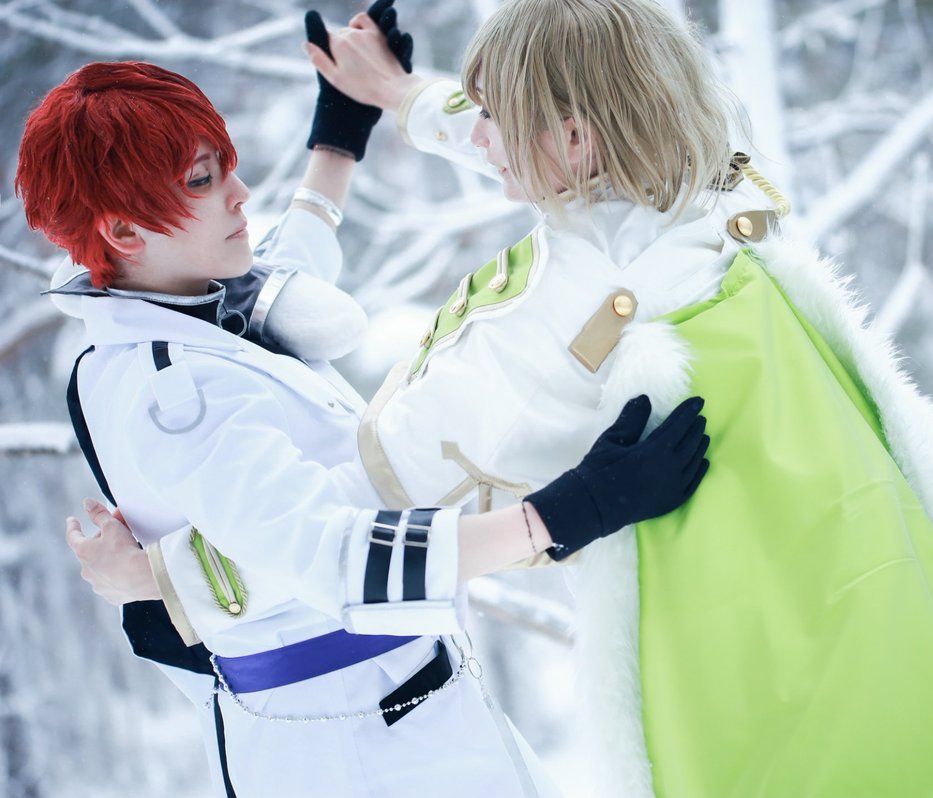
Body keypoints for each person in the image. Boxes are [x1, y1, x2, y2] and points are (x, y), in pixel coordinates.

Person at [74, 1, 933, 795]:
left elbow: (348, 520)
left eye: (499, 119)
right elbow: (566, 134)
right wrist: (400, 99)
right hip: (837, 556)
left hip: (707, 645)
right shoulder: (716, 182)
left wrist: (169, 589)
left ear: (571, 139)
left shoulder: (556, 331)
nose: (482, 136)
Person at [18, 51, 709, 798]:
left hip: (397, 705)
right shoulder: (174, 391)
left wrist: (339, 134)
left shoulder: (183, 303)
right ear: (124, 230)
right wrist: (569, 512)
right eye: (202, 180)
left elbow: (291, 276)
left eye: (227, 166)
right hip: (350, 746)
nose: (242, 196)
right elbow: (333, 557)